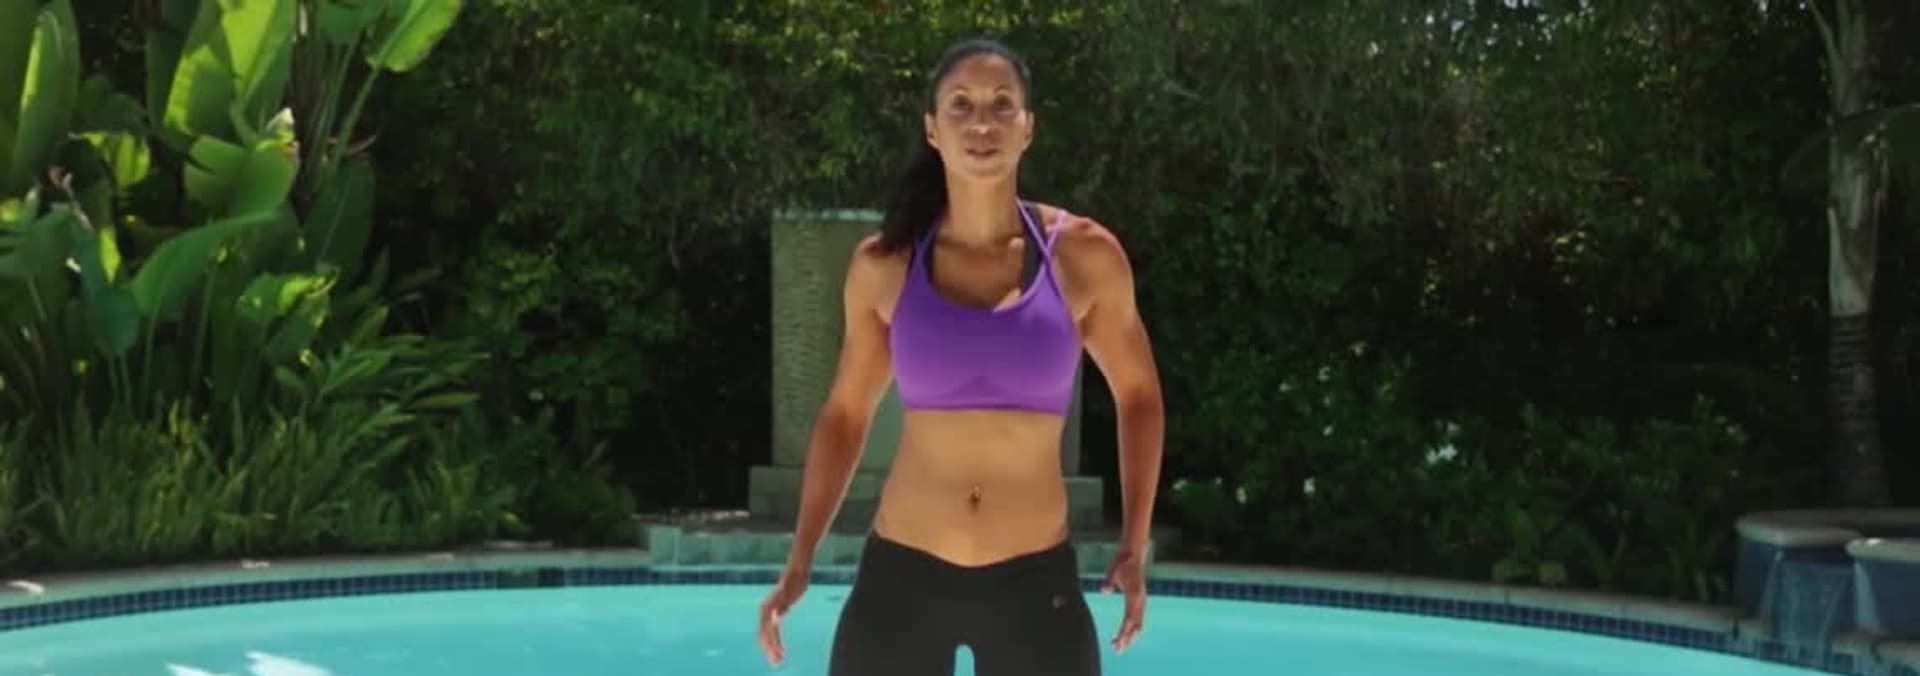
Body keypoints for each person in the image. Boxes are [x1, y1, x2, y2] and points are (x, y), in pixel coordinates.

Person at [756, 36, 1166, 676]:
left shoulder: (1085, 257)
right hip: (902, 582)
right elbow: (845, 416)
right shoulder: (885, 265)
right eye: (961, 105)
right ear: (933, 129)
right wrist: (801, 558)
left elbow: (1139, 396)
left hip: (1035, 587)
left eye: (1002, 105)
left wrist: (1134, 545)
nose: (982, 123)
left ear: (1028, 127)